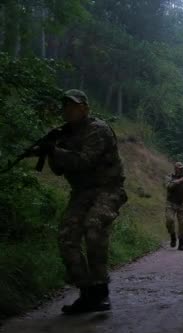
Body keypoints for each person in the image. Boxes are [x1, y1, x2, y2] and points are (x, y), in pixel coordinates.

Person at [45, 89, 127, 314]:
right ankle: (86, 293)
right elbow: (59, 170)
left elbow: (85, 161)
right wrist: (51, 152)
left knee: (94, 228)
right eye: (67, 106)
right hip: (81, 192)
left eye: (75, 106)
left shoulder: (97, 129)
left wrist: (55, 150)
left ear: (85, 108)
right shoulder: (63, 134)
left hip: (107, 189)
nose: (70, 110)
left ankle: (101, 291)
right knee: (66, 237)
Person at [165, 162, 183, 251]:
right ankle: (172, 235)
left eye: (182, 168)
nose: (181, 169)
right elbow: (168, 186)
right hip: (170, 202)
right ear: (175, 168)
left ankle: (181, 244)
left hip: (182, 203)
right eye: (179, 168)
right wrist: (179, 181)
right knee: (169, 220)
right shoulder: (169, 176)